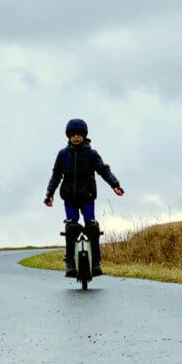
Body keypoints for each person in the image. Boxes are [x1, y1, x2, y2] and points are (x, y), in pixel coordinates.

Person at [44, 118, 124, 277]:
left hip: (87, 197)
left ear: (84, 135)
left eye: (79, 134)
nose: (76, 137)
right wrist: (49, 194)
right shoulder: (63, 155)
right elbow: (56, 176)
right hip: (69, 198)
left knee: (92, 227)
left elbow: (103, 170)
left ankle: (95, 263)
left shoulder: (91, 154)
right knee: (71, 227)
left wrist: (114, 184)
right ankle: (70, 263)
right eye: (73, 134)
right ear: (68, 136)